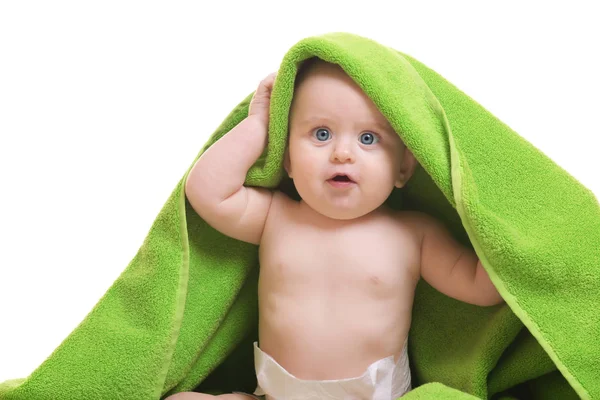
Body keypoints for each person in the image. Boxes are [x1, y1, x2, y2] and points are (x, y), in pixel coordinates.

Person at [172, 57, 504, 400]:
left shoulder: (413, 236)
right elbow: (207, 191)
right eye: (322, 134)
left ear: (404, 167)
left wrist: (499, 218)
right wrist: (258, 124)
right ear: (287, 157)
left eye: (368, 138)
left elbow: (481, 285)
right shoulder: (275, 218)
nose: (342, 153)